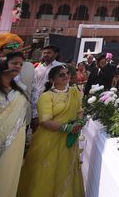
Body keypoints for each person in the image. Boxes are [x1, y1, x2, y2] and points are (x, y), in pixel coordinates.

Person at [17, 65, 85, 197]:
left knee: (65, 170)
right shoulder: (46, 96)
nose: (66, 76)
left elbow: (79, 111)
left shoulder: (74, 92)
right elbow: (44, 121)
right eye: (61, 75)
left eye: (67, 73)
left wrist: (79, 123)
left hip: (68, 140)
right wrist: (67, 128)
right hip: (49, 140)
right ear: (53, 79)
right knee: (46, 171)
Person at [0, 51, 30, 197]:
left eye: (21, 64)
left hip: (14, 140)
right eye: (14, 63)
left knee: (7, 176)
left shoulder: (20, 90)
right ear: (2, 64)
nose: (18, 66)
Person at [0, 33, 33, 126]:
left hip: (22, 117)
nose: (15, 48)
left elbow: (33, 90)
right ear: (0, 51)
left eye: (17, 45)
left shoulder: (29, 67)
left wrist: (34, 114)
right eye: (11, 46)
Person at [31, 44, 62, 131]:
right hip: (36, 99)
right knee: (35, 123)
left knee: (47, 123)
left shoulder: (60, 67)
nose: (46, 55)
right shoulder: (38, 67)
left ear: (55, 54)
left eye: (49, 53)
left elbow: (63, 83)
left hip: (52, 98)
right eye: (44, 53)